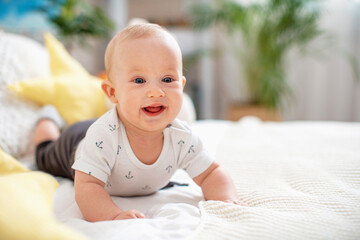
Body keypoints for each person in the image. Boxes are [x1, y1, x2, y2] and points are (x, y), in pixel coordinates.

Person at [34, 23, 241, 222]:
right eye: (139, 80)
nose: (156, 92)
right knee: (44, 152)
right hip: (75, 142)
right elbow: (87, 186)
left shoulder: (181, 137)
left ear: (182, 85)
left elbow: (211, 173)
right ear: (113, 93)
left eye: (167, 80)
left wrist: (227, 200)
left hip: (100, 128)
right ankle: (47, 117)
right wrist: (114, 215)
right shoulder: (103, 136)